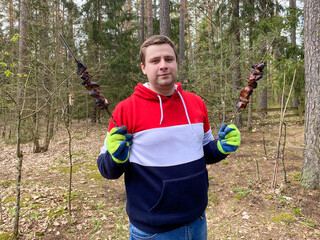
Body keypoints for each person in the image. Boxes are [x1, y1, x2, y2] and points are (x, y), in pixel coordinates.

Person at [97, 35, 241, 240]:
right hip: (153, 231)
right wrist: (116, 157)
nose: (163, 65)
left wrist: (221, 147)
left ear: (176, 63)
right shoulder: (125, 110)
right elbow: (106, 170)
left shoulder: (196, 103)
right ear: (143, 67)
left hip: (197, 220)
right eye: (155, 61)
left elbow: (205, 151)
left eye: (169, 59)